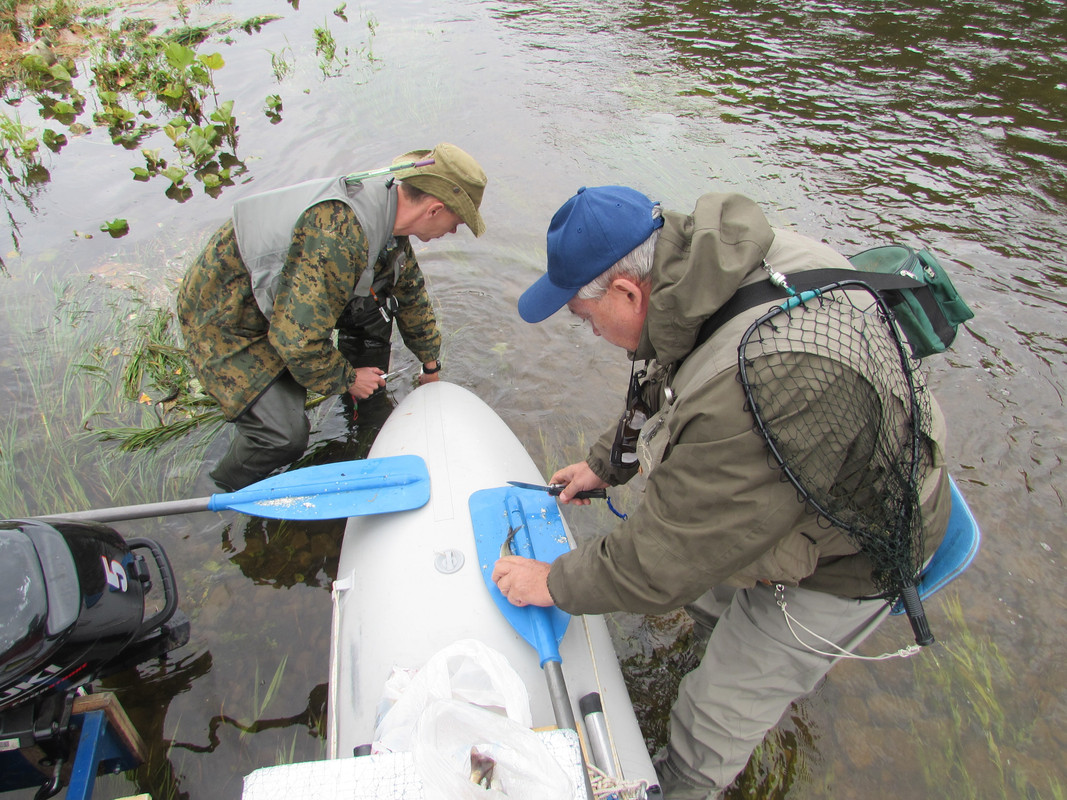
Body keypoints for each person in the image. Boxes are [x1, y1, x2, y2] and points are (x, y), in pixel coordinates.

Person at [492, 186, 953, 799]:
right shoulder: (703, 267)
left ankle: (687, 783)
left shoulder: (766, 379)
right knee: (711, 603)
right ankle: (713, 636)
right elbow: (665, 369)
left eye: (583, 317)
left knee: (711, 718)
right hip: (805, 466)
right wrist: (608, 464)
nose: (590, 333)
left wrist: (550, 582)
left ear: (628, 293)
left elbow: (660, 561)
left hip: (854, 551)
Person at [177, 143, 487, 492]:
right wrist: (347, 378)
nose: (454, 231)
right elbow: (295, 342)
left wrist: (430, 366)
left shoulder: (388, 214)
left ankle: (364, 407)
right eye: (457, 221)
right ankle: (223, 488)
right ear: (434, 209)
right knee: (284, 437)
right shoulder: (340, 235)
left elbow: (410, 293)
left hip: (283, 304)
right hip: (229, 317)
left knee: (377, 303)